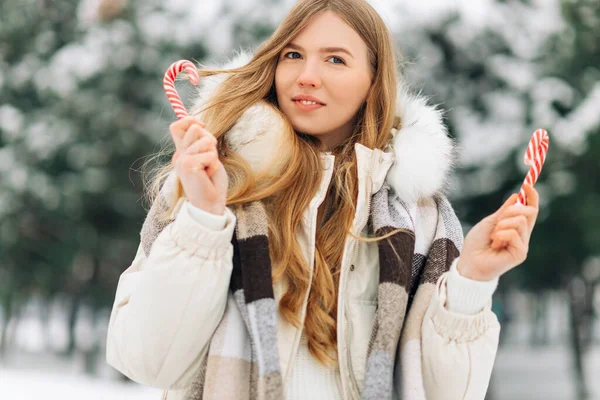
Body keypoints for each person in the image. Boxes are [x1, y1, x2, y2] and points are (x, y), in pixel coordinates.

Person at [105, 0, 540, 399]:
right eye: (293, 54)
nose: (306, 75)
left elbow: (445, 393)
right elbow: (146, 361)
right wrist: (203, 219)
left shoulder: (417, 217)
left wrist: (472, 281)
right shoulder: (216, 181)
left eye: (335, 59)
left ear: (373, 83)